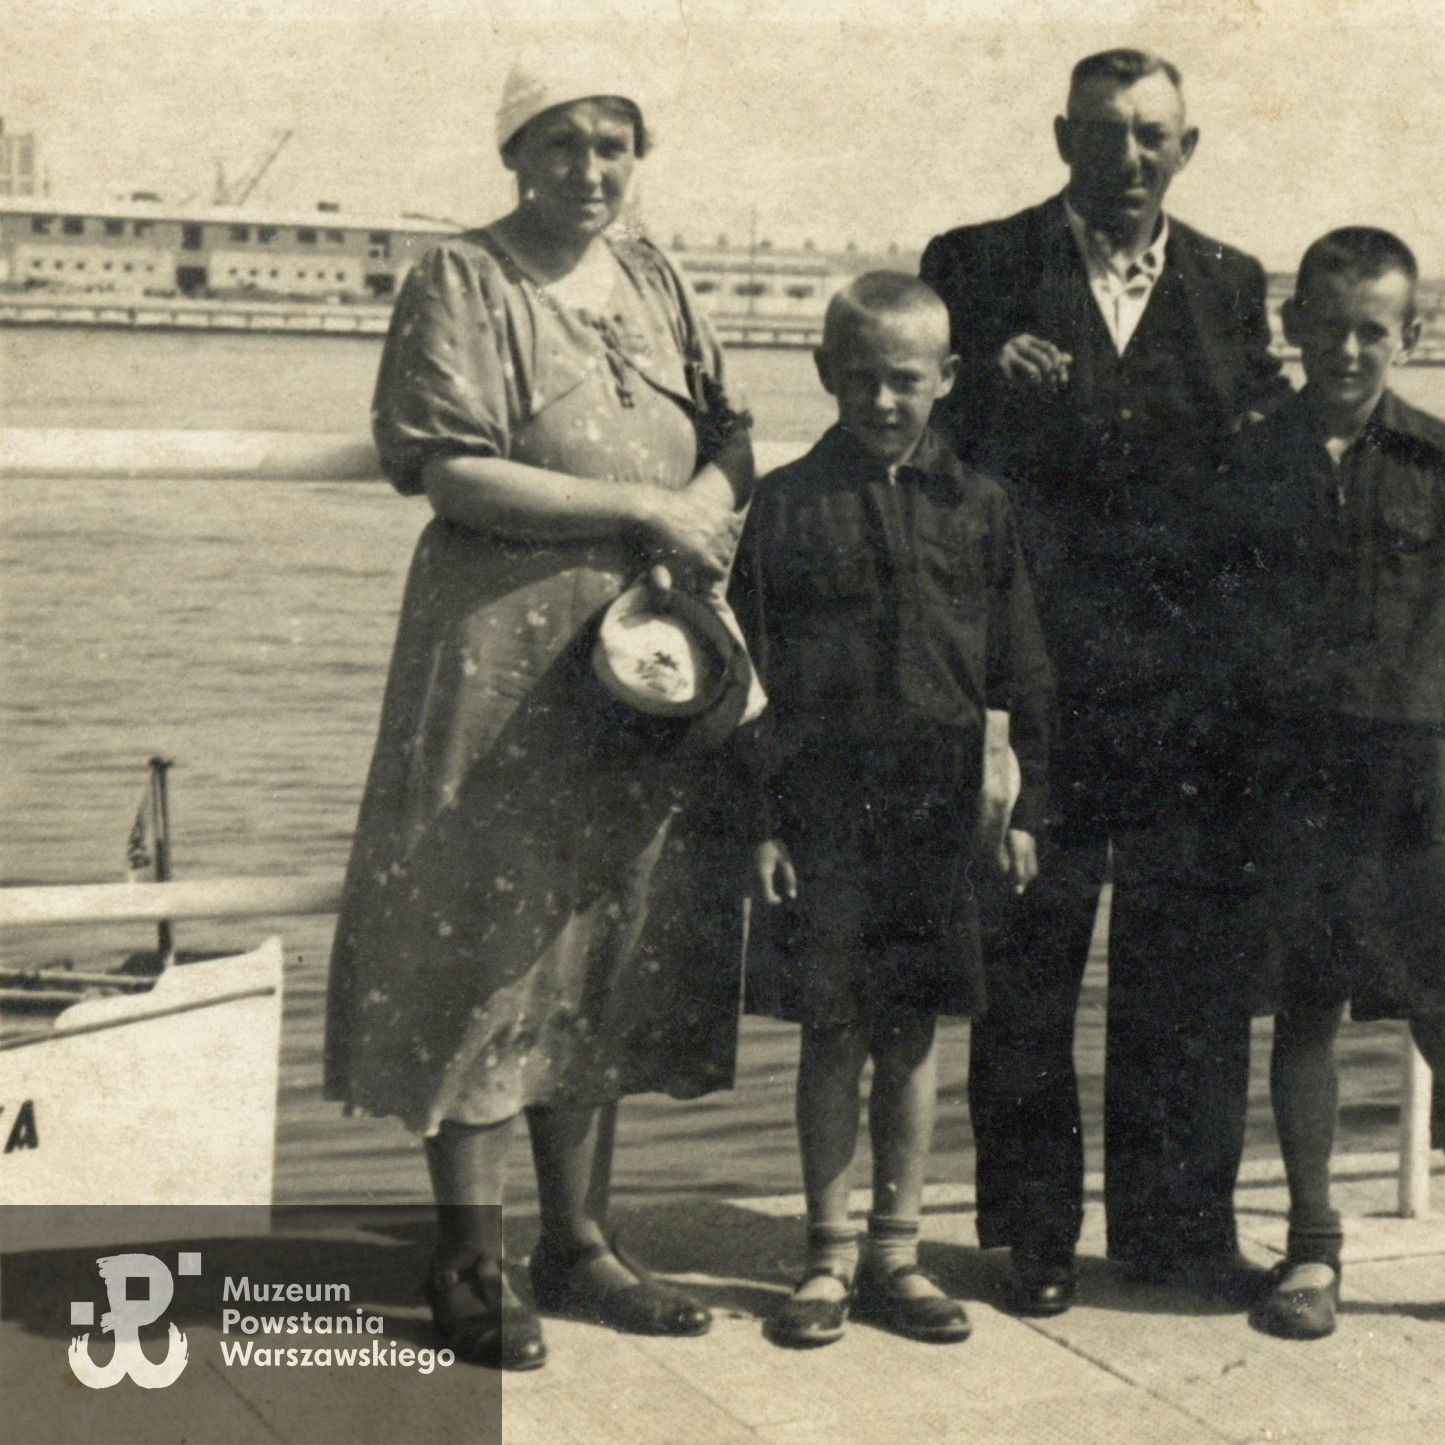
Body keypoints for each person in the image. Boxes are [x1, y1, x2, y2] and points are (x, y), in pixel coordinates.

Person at [322, 49, 758, 1371]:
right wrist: (645, 507)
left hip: (640, 664)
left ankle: (581, 1241)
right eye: (562, 146)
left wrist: (713, 512)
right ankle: (470, 1256)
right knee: (477, 927)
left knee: (604, 931)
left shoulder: (658, 276)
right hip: (500, 657)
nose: (590, 172)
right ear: (516, 156)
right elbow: (450, 468)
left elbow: (734, 432)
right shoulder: (463, 279)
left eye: (614, 146)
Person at [919, 48, 1286, 1315]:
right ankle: (1030, 1232)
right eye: (1101, 133)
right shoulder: (972, 265)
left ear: (1188, 147)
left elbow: (1260, 466)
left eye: (1150, 136)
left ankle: (1178, 1230)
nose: (1125, 160)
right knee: (1026, 960)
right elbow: (919, 442)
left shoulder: (1234, 285)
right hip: (1035, 679)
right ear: (1059, 136)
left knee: (1188, 965)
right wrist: (979, 389)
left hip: (1192, 694)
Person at [1218, 226, 1445, 1348]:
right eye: (1325, 325)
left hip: (1414, 790)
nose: (1346, 348)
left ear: (1409, 335)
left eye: (1371, 330)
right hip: (1294, 788)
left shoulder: (1442, 456)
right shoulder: (1248, 459)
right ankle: (1313, 1247)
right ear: (1290, 327)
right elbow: (1223, 628)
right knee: (1305, 1020)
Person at [733, 273, 1054, 1347]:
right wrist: (762, 823)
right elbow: (746, 679)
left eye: (905, 381)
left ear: (947, 380)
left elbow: (1020, 671)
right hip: (822, 810)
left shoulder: (982, 502)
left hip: (936, 809)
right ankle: (825, 1255)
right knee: (831, 1031)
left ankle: (895, 1251)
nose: (881, 400)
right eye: (860, 378)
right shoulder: (782, 504)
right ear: (825, 373)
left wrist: (1018, 811)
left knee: (913, 1035)